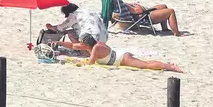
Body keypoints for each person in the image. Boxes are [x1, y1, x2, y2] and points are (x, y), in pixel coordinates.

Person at [51, 34, 182, 72]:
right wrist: (59, 42)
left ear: (86, 43)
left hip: (121, 58)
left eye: (82, 43)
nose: (81, 45)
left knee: (145, 65)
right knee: (144, 63)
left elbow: (90, 63)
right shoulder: (93, 44)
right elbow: (73, 45)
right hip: (119, 54)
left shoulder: (95, 48)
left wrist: (76, 62)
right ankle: (166, 64)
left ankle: (170, 67)